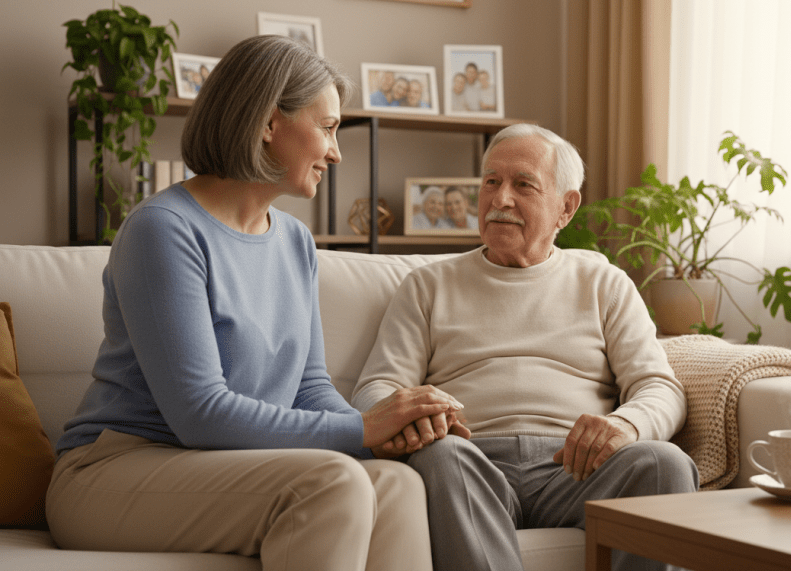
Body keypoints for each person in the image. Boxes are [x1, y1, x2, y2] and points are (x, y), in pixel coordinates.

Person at [46, 35, 459, 571]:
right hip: (113, 472)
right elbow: (199, 414)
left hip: (227, 467)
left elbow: (309, 388)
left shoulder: (294, 241)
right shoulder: (163, 230)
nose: (336, 152)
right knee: (330, 483)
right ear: (269, 123)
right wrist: (363, 430)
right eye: (328, 128)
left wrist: (386, 431)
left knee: (397, 483)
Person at [352, 123, 699, 571]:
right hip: (471, 459)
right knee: (442, 456)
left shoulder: (604, 284)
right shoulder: (428, 285)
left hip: (577, 468)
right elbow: (376, 386)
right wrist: (408, 414)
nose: (500, 200)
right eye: (491, 182)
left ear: (565, 208)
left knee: (664, 463)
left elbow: (659, 386)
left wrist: (627, 426)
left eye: (523, 185)